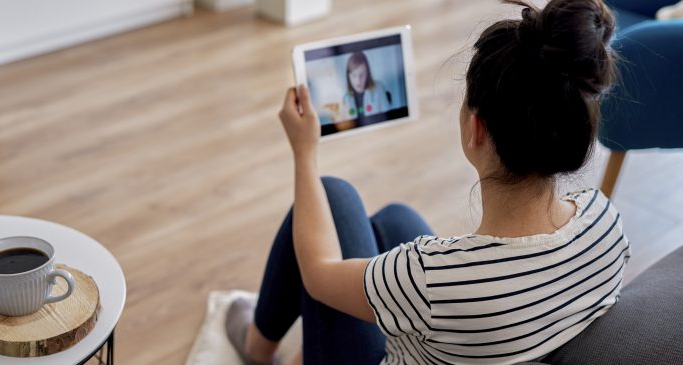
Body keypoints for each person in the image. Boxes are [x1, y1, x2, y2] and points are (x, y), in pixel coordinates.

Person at [225, 0, 629, 364]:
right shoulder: (605, 222)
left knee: (333, 195)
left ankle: (258, 349)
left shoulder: (433, 279)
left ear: (477, 129)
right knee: (395, 219)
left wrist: (303, 152)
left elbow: (318, 273)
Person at [336, 51, 391, 127]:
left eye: (361, 75)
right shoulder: (345, 98)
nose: (358, 81)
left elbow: (389, 119)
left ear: (367, 73)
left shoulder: (379, 88)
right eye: (354, 76)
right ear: (348, 76)